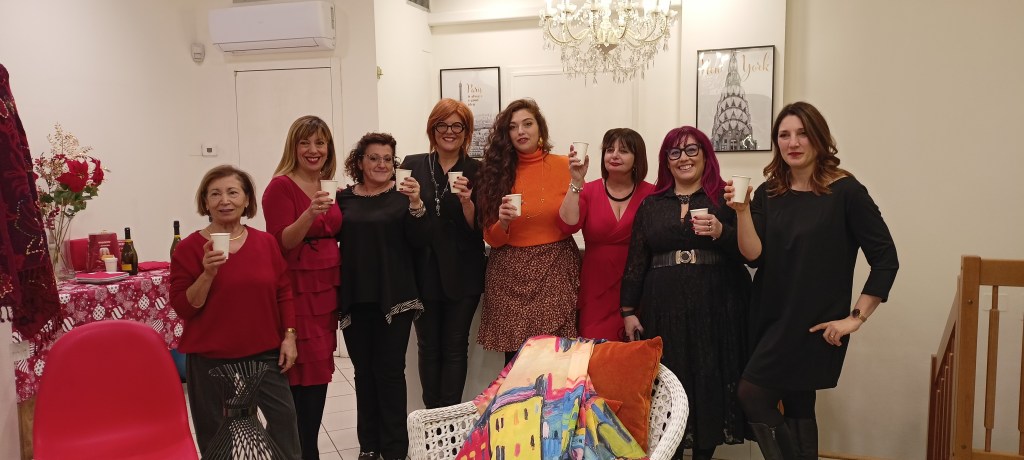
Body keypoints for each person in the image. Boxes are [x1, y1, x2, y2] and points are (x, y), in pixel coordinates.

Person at [726, 102, 899, 460]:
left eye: (802, 133)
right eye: (784, 135)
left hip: (814, 324)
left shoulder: (847, 192)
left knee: (752, 394)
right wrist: (742, 212)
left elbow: (885, 260)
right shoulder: (769, 192)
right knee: (799, 404)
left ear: (819, 138)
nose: (793, 143)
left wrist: (855, 318)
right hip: (770, 317)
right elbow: (753, 255)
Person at [620, 126, 751, 460]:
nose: (684, 158)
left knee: (709, 378)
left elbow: (749, 254)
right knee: (668, 382)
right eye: (675, 152)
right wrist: (628, 311)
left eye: (692, 150)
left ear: (706, 155)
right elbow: (636, 260)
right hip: (663, 307)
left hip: (716, 307)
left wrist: (721, 232)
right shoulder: (651, 204)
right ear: (666, 160)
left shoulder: (725, 198)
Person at [170, 165, 300, 459]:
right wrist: (207, 274)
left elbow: (283, 292)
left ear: (246, 200)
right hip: (209, 357)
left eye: (232, 192)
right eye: (215, 194)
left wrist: (289, 336)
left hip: (264, 353)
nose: (224, 200)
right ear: (205, 202)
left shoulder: (266, 243)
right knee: (216, 436)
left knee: (284, 421)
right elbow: (184, 307)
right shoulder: (189, 248)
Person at [337, 132, 430, 460]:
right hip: (355, 298)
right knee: (363, 374)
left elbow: (420, 241)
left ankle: (394, 449)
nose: (381, 164)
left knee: (389, 374)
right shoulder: (343, 198)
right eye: (373, 158)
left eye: (387, 159)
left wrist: (417, 204)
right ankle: (368, 446)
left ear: (394, 163)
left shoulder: (404, 196)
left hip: (395, 297)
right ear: (360, 162)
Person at [474, 98, 580, 364]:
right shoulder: (495, 172)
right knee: (516, 362)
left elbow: (575, 222)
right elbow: (492, 238)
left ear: (540, 128)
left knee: (555, 358)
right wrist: (503, 222)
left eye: (527, 124)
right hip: (509, 272)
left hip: (555, 269)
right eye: (513, 127)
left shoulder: (565, 166)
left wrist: (578, 182)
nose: (520, 131)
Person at [261, 115, 342, 460]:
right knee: (295, 381)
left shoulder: (329, 184)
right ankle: (295, 452)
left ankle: (307, 449)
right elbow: (281, 243)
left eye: (320, 142)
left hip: (325, 292)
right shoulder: (280, 187)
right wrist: (309, 214)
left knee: (318, 377)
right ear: (293, 147)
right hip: (296, 290)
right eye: (305, 143)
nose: (313, 150)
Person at [400, 99, 485, 409]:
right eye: (442, 125)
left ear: (466, 131)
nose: (449, 132)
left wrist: (467, 203)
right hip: (422, 271)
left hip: (464, 272)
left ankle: (448, 417)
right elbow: (399, 217)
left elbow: (481, 229)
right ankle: (431, 416)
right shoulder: (412, 164)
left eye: (457, 125)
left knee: (455, 346)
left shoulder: (479, 170)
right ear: (432, 129)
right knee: (428, 346)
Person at [557, 128, 654, 341]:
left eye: (624, 151)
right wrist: (576, 181)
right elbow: (566, 226)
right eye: (609, 150)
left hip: (638, 288)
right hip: (595, 289)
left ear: (637, 158)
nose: (614, 155)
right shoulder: (588, 190)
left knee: (633, 354)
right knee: (595, 352)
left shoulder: (652, 194)